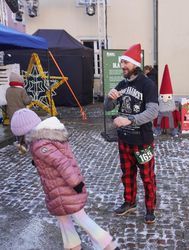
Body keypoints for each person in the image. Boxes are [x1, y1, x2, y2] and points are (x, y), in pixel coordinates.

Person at [10, 108, 119, 250]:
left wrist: (76, 184)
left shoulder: (39, 144)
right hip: (56, 188)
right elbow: (54, 158)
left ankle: (108, 245)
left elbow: (62, 163)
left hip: (65, 187)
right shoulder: (45, 137)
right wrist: (38, 162)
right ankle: (72, 245)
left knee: (81, 218)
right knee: (63, 218)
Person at [104, 43, 158, 224]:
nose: (122, 66)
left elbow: (152, 112)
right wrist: (109, 98)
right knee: (127, 174)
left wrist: (130, 120)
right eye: (121, 63)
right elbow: (108, 108)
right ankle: (130, 202)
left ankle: (150, 208)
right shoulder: (122, 84)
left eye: (125, 63)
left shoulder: (147, 84)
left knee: (147, 177)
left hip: (143, 141)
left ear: (135, 63)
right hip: (124, 140)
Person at [5, 72, 32, 153]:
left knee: (16, 128)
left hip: (11, 113)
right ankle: (22, 145)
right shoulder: (21, 90)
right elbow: (26, 101)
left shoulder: (8, 90)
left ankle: (17, 141)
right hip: (20, 113)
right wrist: (30, 98)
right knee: (23, 129)